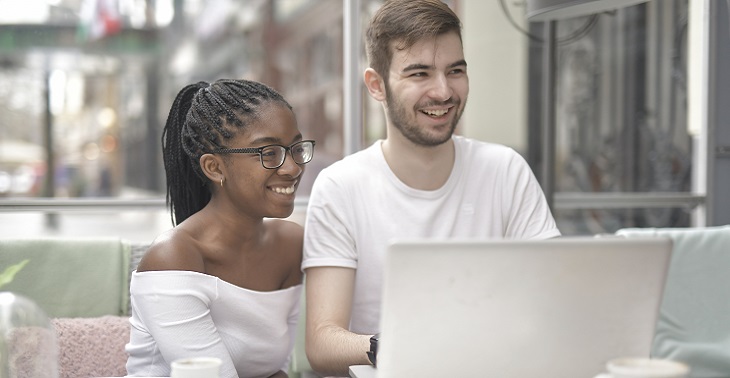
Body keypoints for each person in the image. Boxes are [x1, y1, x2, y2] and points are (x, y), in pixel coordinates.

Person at [301, 0, 561, 375]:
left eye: (455, 70)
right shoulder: (341, 187)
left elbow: (553, 296)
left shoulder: (505, 169)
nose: (443, 92)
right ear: (377, 85)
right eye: (420, 74)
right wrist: (396, 344)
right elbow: (322, 343)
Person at [125, 79, 315, 378]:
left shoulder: (291, 245)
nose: (292, 168)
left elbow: (275, 371)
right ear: (214, 168)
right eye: (268, 153)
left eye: (295, 148)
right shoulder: (173, 258)